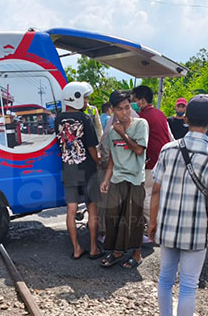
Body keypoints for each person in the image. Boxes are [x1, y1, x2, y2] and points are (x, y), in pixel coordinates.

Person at [149, 94, 208, 316]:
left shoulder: (167, 150)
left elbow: (156, 190)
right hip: (195, 231)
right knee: (188, 285)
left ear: (185, 118)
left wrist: (152, 222)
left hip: (167, 225)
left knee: (164, 278)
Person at [100, 90, 149, 269]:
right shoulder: (112, 132)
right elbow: (113, 157)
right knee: (113, 217)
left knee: (133, 217)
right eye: (120, 109)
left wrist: (122, 134)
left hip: (135, 179)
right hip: (117, 178)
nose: (125, 112)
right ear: (113, 110)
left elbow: (138, 150)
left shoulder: (141, 124)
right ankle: (117, 252)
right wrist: (106, 179)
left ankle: (136, 254)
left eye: (127, 107)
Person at [56, 82, 102, 259]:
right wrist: (98, 162)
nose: (87, 101)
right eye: (84, 97)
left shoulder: (59, 119)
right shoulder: (85, 119)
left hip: (69, 168)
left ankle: (76, 249)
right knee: (92, 209)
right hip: (87, 169)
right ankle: (93, 248)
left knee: (71, 209)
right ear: (75, 98)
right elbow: (92, 147)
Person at [131, 85, 171, 244]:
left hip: (151, 162)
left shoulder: (143, 118)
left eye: (134, 101)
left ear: (141, 100)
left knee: (148, 197)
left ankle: (155, 230)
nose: (134, 104)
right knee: (158, 196)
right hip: (163, 161)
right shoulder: (160, 114)